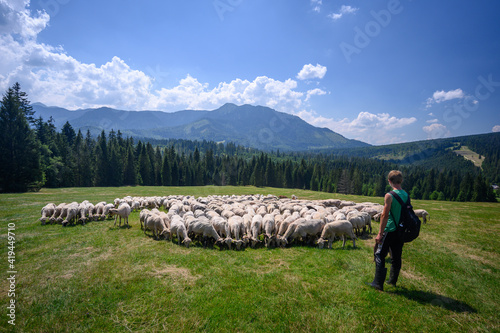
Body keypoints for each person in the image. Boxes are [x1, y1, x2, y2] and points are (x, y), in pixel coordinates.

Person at [368, 170, 407, 291]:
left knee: (379, 254)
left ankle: (378, 283)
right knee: (396, 256)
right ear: (401, 181)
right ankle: (392, 281)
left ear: (389, 181)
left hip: (390, 229)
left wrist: (380, 233)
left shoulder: (389, 195)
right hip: (400, 230)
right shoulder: (405, 194)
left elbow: (384, 215)